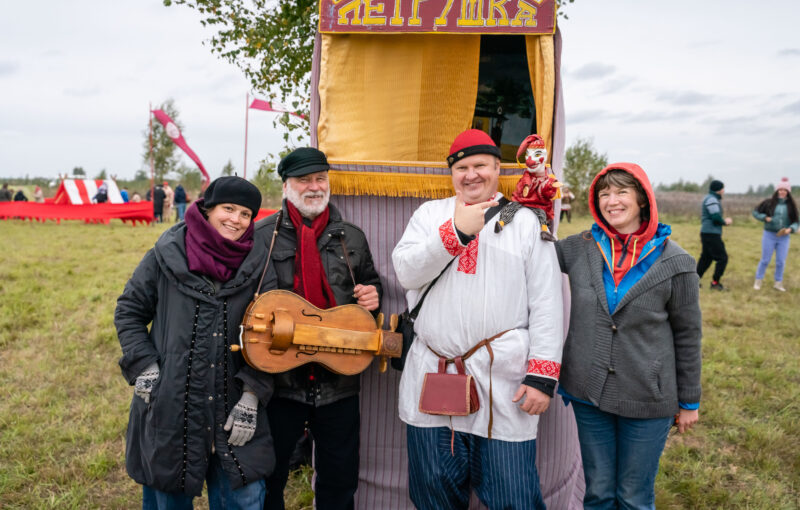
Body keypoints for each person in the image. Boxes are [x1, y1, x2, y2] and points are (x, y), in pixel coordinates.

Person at [392, 129, 564, 510]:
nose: (471, 175)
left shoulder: (525, 222)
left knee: (513, 497)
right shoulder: (429, 215)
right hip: (433, 376)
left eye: (480, 165)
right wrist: (455, 232)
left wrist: (542, 377)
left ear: (497, 168)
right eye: (462, 167)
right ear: (451, 173)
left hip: (504, 384)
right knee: (433, 495)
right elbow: (406, 272)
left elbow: (548, 301)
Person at [115, 176, 276, 509]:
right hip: (172, 401)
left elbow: (273, 337)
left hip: (233, 405)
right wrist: (144, 365)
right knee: (167, 497)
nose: (236, 219)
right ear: (207, 209)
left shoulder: (261, 265)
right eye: (228, 209)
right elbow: (129, 310)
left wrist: (253, 394)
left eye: (245, 214)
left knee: (244, 500)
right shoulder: (166, 253)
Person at [555, 163, 702, 509]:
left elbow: (688, 336)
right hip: (589, 393)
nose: (612, 200)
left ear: (642, 200)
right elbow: (530, 252)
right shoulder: (579, 248)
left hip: (647, 397)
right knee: (599, 493)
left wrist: (689, 401)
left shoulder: (678, 262)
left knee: (634, 498)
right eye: (604, 193)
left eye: (622, 191)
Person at [256, 147, 382, 510]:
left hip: (339, 384)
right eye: (304, 180)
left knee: (339, 480)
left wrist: (375, 296)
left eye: (320, 179)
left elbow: (371, 288)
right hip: (280, 383)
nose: (314, 187)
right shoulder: (263, 237)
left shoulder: (351, 238)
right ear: (285, 187)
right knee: (271, 477)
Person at [752, 177, 799, 292]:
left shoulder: (791, 206)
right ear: (777, 190)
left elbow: (796, 222)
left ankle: (778, 283)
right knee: (765, 259)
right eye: (780, 189)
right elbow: (755, 212)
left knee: (781, 261)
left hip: (784, 237)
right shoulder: (768, 203)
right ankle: (758, 280)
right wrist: (764, 217)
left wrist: (791, 229)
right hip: (769, 235)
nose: (782, 192)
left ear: (788, 192)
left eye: (784, 190)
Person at [697, 179, 732, 290]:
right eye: (722, 188)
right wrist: (725, 222)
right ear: (719, 189)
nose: (723, 191)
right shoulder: (712, 199)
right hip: (711, 233)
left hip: (708, 233)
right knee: (722, 258)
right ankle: (715, 283)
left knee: (706, 258)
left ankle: (692, 282)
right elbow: (715, 217)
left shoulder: (711, 198)